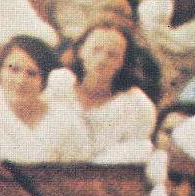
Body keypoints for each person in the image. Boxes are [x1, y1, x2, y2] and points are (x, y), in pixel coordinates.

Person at [0, 35, 89, 164]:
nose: (21, 81)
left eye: (32, 73)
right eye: (14, 69)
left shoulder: (65, 122)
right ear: (0, 71)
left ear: (44, 81)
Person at [49, 22, 156, 162]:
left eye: (112, 55)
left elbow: (134, 153)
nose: (102, 60)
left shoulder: (138, 104)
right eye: (96, 50)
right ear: (81, 50)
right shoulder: (58, 83)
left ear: (123, 61)